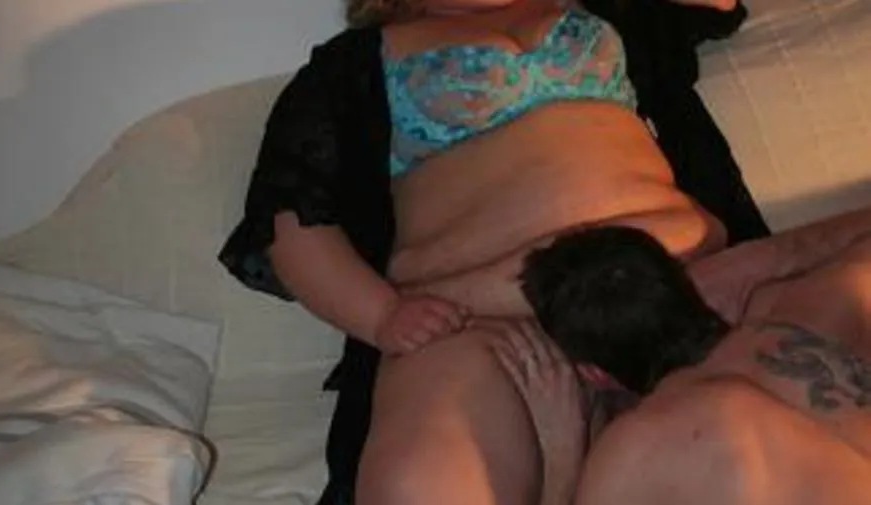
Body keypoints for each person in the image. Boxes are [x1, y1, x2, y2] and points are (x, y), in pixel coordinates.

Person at [218, 0, 770, 503]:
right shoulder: (350, 66)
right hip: (474, 317)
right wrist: (382, 316)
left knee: (756, 461)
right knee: (425, 488)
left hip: (674, 282)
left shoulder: (603, 8)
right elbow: (286, 219)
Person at [496, 205, 871, 504]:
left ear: (596, 374)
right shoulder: (827, 301)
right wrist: (771, 255)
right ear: (683, 280)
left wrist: (562, 456)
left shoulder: (632, 455)